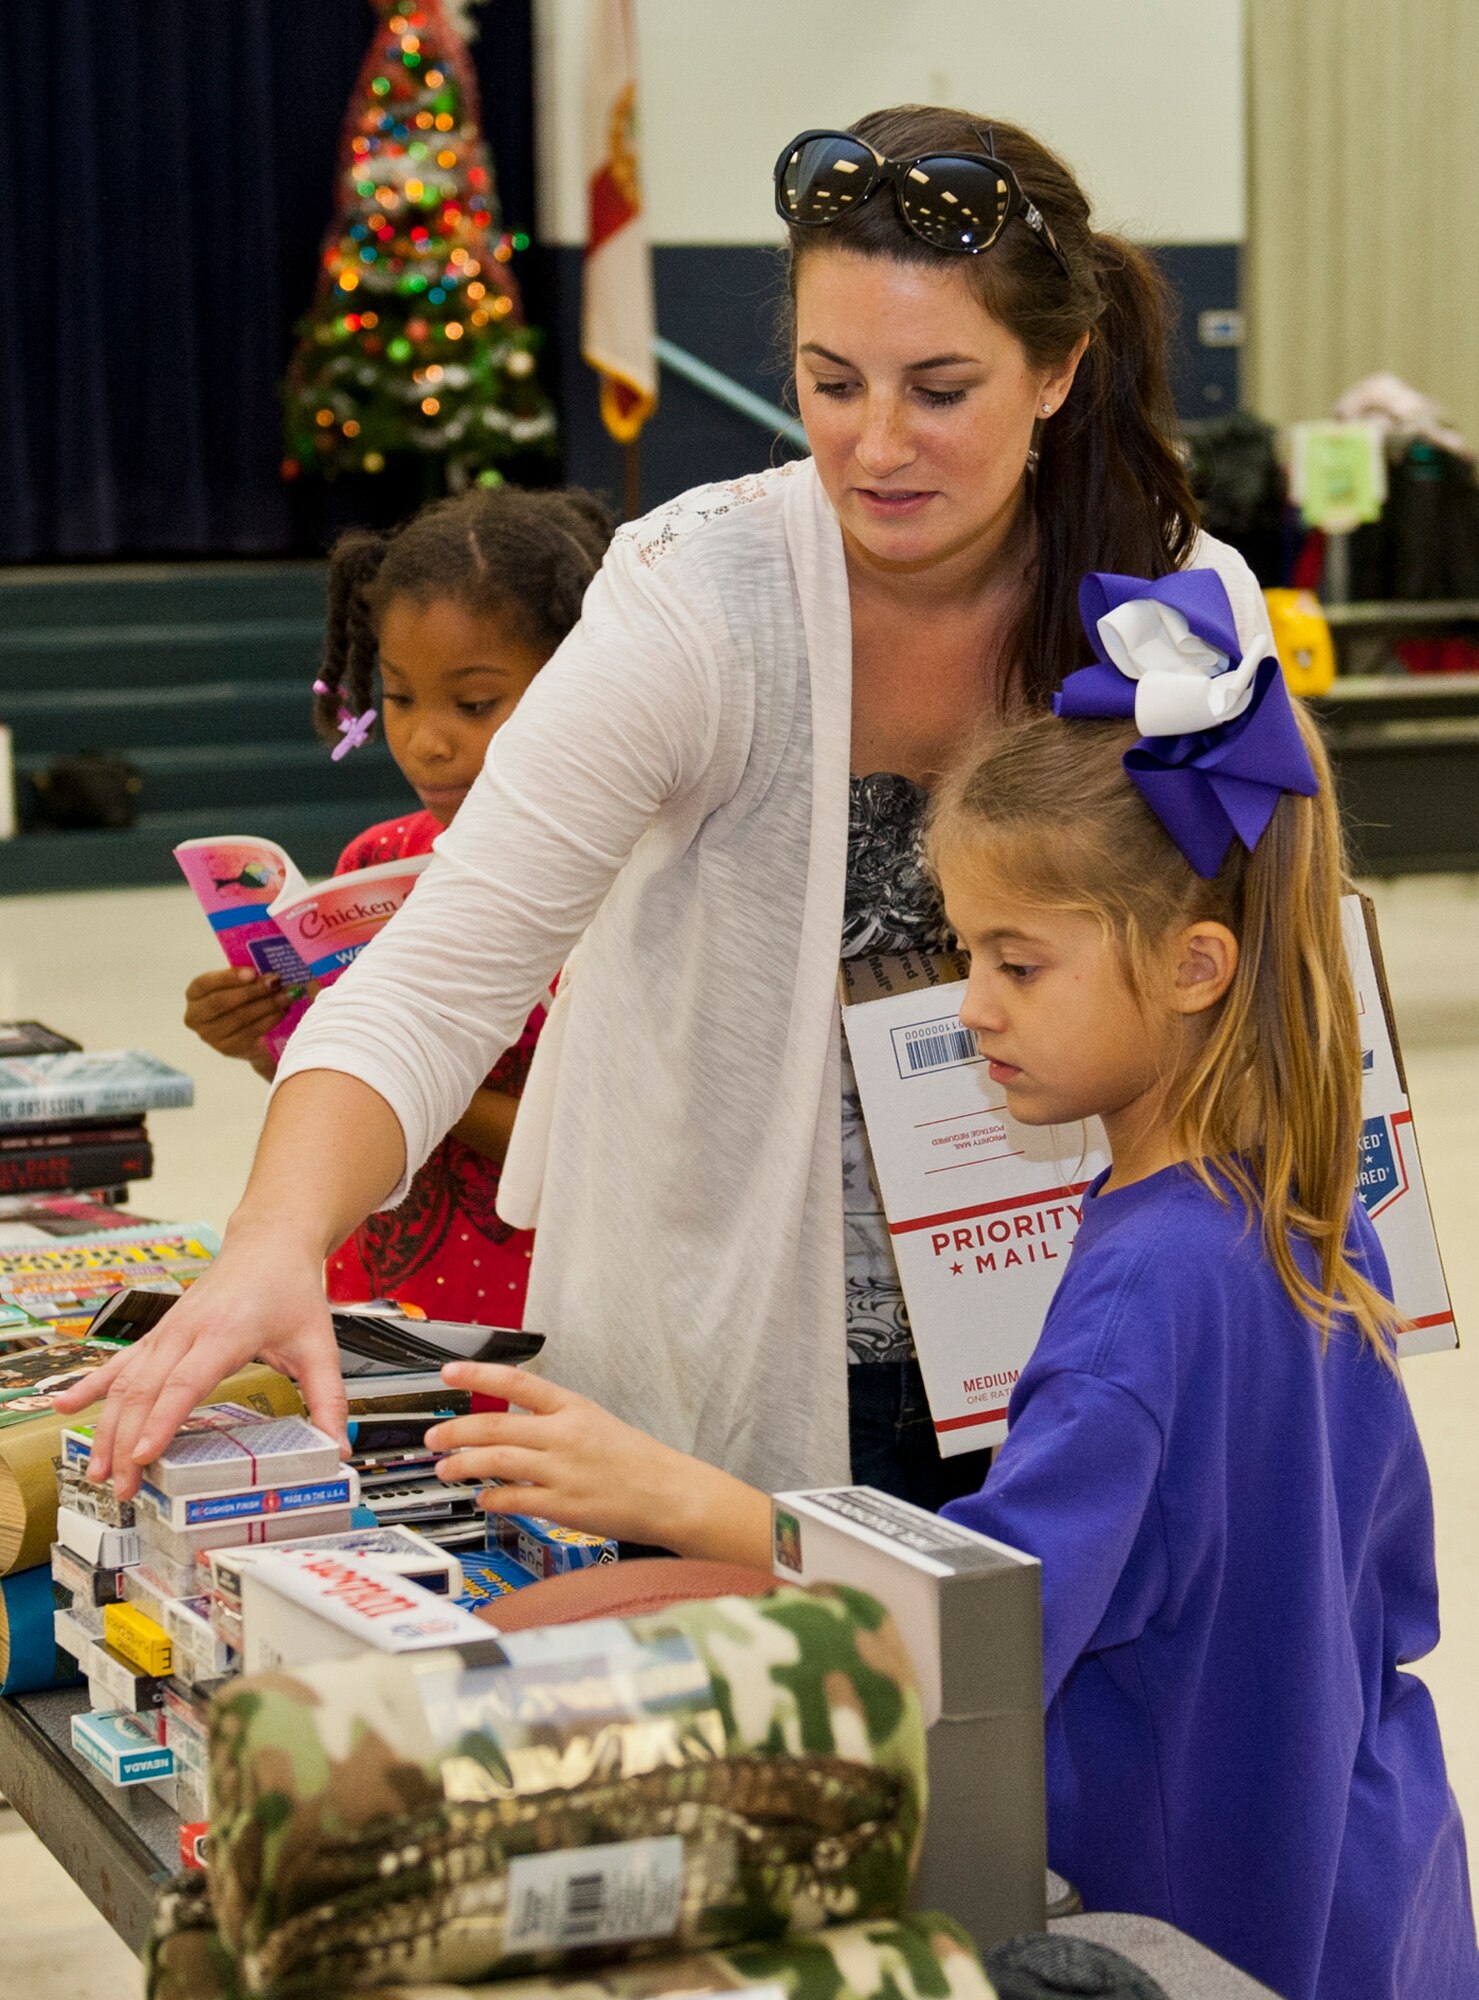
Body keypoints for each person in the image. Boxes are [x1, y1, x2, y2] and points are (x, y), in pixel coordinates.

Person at [66, 107, 1272, 1500]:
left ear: (1056, 368)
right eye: (830, 383)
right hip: (716, 1350)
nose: (874, 447)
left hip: (1081, 1337)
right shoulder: (699, 594)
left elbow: (1262, 983)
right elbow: (440, 973)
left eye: (938, 388)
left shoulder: (1174, 603)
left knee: (1043, 1707)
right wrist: (271, 1239)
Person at [414, 570, 1479, 2000]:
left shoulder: (1138, 1299)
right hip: (1370, 1869)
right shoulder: (1295, 1210)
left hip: (1192, 1916)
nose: (966, 1004)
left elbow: (979, 1624)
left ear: (1191, 965)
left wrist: (666, 1494)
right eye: (970, 953)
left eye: (1015, 963)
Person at [179, 484, 613, 1325]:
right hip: (382, 1294)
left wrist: (414, 1075)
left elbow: (592, 1157)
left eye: (475, 702)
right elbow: (341, 1121)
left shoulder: (622, 885)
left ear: (581, 680)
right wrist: (269, 1042)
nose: (425, 739)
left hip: (543, 1314)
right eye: (402, 696)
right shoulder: (377, 860)